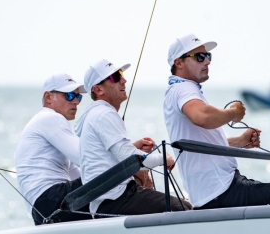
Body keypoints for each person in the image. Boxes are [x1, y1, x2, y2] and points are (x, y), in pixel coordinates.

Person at [164, 33, 270, 209]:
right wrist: (233, 113)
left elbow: (202, 143)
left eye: (208, 56)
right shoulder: (184, 88)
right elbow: (203, 117)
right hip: (222, 190)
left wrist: (240, 141)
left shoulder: (176, 91)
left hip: (211, 194)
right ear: (179, 63)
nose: (207, 61)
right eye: (199, 57)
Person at [74, 58, 190, 216]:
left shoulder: (96, 114)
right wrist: (164, 158)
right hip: (115, 200)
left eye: (121, 74)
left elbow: (116, 158)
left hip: (107, 200)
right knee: (185, 209)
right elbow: (133, 161)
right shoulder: (104, 113)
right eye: (115, 77)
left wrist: (135, 147)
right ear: (98, 90)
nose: (124, 80)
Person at [14, 73, 90, 224]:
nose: (75, 102)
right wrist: (128, 160)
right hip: (52, 200)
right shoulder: (50, 118)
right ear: (48, 97)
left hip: (41, 210)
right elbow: (86, 159)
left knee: (108, 178)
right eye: (69, 96)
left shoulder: (44, 122)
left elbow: (80, 172)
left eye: (78, 97)